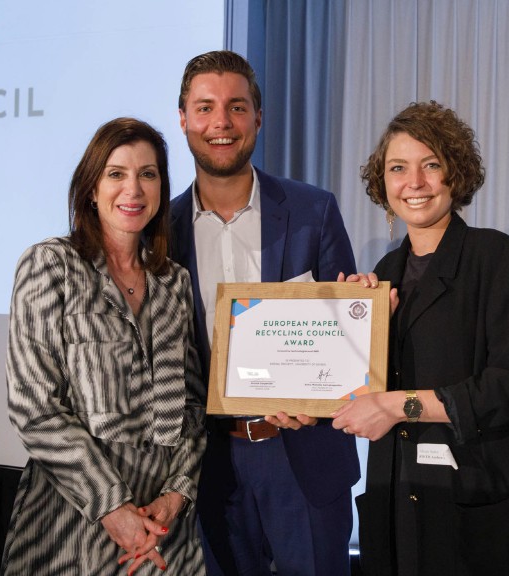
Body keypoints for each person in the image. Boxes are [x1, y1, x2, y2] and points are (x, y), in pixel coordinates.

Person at [332, 101, 509, 575]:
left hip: (481, 505)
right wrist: (350, 326)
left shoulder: (497, 258)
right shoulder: (385, 276)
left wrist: (395, 406)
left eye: (431, 165)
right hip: (399, 500)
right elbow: (360, 389)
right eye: (398, 168)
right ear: (382, 184)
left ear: (455, 173)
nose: (415, 183)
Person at [169, 50, 359, 576]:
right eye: (205, 108)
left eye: (237, 107)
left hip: (304, 453)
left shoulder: (312, 210)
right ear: (182, 118)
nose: (221, 124)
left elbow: (347, 339)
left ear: (258, 117)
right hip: (208, 465)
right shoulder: (161, 231)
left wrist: (319, 399)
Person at [1, 118, 206, 576]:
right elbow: (32, 406)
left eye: (147, 174)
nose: (132, 189)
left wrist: (176, 496)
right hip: (69, 523)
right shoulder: (50, 265)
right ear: (91, 188)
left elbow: (191, 406)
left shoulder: (174, 282)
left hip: (163, 532)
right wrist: (113, 509)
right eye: (116, 174)